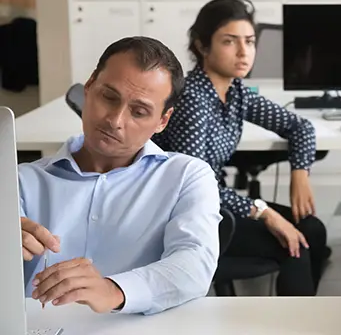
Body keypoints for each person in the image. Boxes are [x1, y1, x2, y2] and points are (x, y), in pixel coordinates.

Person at [19, 37, 220, 315]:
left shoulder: (186, 176)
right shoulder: (20, 182)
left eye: (139, 112)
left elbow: (194, 264)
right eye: (108, 97)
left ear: (163, 120)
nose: (115, 120)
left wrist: (114, 290)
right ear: (89, 87)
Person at [152, 0, 330, 296]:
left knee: (312, 229)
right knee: (292, 245)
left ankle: (306, 312)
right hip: (186, 215)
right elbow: (195, 186)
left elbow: (300, 126)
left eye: (249, 41)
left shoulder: (233, 91)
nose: (243, 52)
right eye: (229, 42)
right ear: (201, 46)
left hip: (217, 204)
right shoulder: (192, 100)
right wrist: (265, 213)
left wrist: (300, 172)